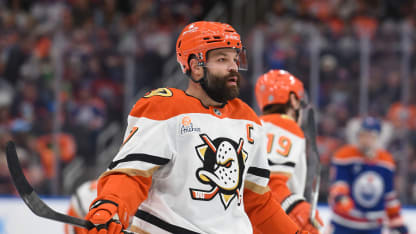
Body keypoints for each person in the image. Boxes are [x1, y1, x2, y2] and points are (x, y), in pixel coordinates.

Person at [80, 21, 305, 234]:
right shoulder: (165, 108)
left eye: (235, 59)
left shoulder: (247, 120)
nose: (233, 67)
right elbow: (131, 175)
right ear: (196, 67)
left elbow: (257, 200)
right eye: (222, 59)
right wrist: (109, 207)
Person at [254, 69, 323, 234]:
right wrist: (299, 212)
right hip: (270, 223)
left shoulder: (254, 125)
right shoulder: (284, 125)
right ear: (293, 100)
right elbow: (270, 183)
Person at [328, 117, 408, 234]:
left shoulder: (386, 161)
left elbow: (389, 196)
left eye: (371, 136)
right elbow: (339, 183)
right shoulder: (345, 155)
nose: (366, 140)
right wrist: (340, 198)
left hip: (372, 226)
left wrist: (398, 224)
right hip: (344, 223)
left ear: (379, 138)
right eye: (363, 135)